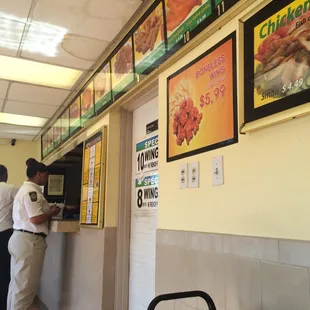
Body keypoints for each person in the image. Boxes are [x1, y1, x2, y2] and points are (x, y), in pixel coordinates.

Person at [7, 158, 60, 310]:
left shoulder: (26, 190)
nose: (47, 178)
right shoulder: (31, 192)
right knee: (24, 289)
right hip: (30, 241)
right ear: (38, 174)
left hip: (21, 239)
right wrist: (52, 213)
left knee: (16, 287)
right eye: (46, 175)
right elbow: (36, 219)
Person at [0, 165, 18, 310]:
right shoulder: (11, 188)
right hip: (4, 234)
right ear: (5, 174)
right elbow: (26, 204)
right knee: (5, 271)